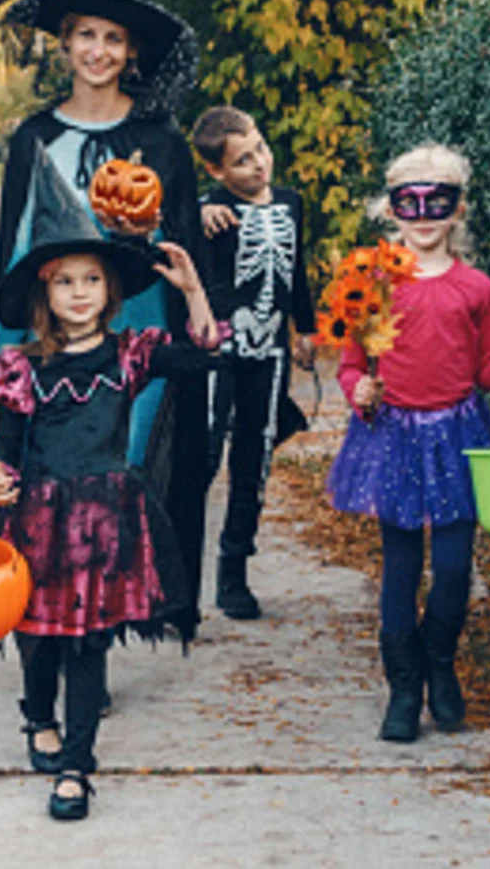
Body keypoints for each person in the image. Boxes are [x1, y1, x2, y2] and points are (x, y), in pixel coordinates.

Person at [0, 0, 217, 638]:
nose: (97, 49)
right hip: (55, 323)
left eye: (112, 38)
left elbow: (184, 248)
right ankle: (63, 620)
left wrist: (193, 309)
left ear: (130, 52)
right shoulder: (35, 136)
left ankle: (106, 621)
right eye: (85, 34)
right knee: (54, 475)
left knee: (121, 470)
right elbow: (17, 242)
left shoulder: (160, 141)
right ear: (64, 43)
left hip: (141, 318)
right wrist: (10, 341)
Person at [0, 143, 220, 821]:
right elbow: (5, 442)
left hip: (106, 522)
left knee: (87, 643)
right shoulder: (21, 364)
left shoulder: (131, 354)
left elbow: (207, 354)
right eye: (65, 281)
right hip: (36, 517)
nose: (79, 292)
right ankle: (37, 715)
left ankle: (78, 769)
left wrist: (193, 288)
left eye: (91, 279)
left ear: (109, 289)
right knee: (40, 636)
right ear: (45, 292)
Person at [327, 144, 490, 743]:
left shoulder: (477, 289)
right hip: (393, 434)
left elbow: (484, 367)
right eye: (409, 201)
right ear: (391, 208)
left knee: (452, 568)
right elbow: (350, 365)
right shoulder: (369, 281)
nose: (423, 214)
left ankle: (440, 662)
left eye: (437, 202)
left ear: (458, 210)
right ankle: (403, 688)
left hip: (456, 434)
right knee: (400, 566)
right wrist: (359, 390)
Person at [192, 105, 317, 621]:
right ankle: (177, 575)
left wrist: (306, 328)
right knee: (203, 454)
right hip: (223, 351)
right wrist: (197, 215)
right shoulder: (211, 208)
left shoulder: (290, 203)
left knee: (255, 456)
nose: (260, 165)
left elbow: (297, 271)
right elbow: (192, 264)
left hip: (271, 352)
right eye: (243, 161)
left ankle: (234, 568)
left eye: (260, 149)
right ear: (218, 171)